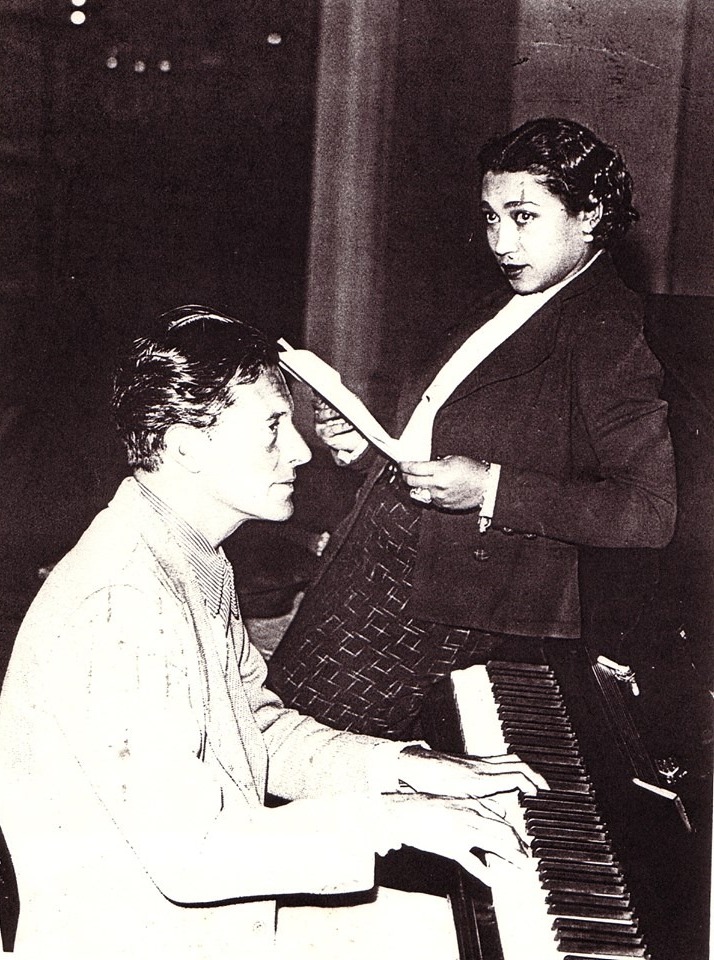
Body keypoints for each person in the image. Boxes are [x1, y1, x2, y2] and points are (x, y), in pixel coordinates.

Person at [0, 306, 545, 958]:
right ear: (186, 445)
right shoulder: (122, 605)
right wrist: (391, 820)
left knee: (462, 934)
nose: (302, 449)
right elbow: (189, 854)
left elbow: (254, 728)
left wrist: (406, 769)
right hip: (143, 937)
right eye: (271, 427)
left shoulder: (192, 551)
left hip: (210, 919)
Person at [267, 117, 677, 739]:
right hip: (377, 567)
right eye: (490, 217)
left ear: (589, 213)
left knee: (316, 761)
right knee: (280, 735)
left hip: (444, 603)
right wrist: (367, 447)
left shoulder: (607, 331)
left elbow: (649, 511)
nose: (501, 242)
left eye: (523, 216)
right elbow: (450, 431)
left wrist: (491, 488)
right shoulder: (512, 297)